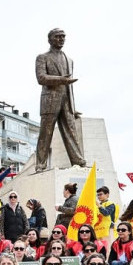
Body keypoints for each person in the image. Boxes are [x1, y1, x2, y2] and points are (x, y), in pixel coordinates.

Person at [34, 28, 86, 172]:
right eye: (57, 36)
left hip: (66, 102)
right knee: (45, 134)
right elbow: (41, 78)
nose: (61, 39)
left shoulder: (69, 60)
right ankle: (40, 164)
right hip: (50, 100)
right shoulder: (42, 57)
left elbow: (69, 86)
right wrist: (61, 80)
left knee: (71, 131)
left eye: (63, 36)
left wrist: (73, 107)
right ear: (50, 39)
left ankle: (78, 160)